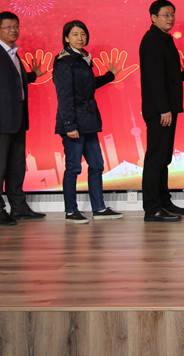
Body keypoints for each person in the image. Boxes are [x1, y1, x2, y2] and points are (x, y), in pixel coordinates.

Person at [0, 11, 47, 225]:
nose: (13, 30)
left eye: (16, 26)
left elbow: (14, 81)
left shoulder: (14, 54)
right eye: (8, 27)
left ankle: (18, 207)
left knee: (16, 166)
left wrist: (33, 76)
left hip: (17, 120)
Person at [53, 20, 123, 224]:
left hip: (89, 121)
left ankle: (99, 208)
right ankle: (70, 211)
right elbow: (64, 95)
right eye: (75, 34)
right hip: (73, 123)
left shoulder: (84, 58)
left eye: (83, 34)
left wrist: (108, 77)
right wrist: (69, 124)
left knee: (97, 165)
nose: (80, 38)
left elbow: (87, 86)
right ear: (66, 38)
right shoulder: (64, 61)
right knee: (74, 168)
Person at [139, 0, 184, 223]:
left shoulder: (164, 39)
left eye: (172, 14)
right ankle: (152, 208)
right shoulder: (152, 40)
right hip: (159, 111)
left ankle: (164, 201)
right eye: (165, 14)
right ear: (153, 17)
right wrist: (164, 108)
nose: (171, 18)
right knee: (156, 158)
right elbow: (154, 79)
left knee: (164, 157)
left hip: (167, 109)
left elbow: (166, 74)